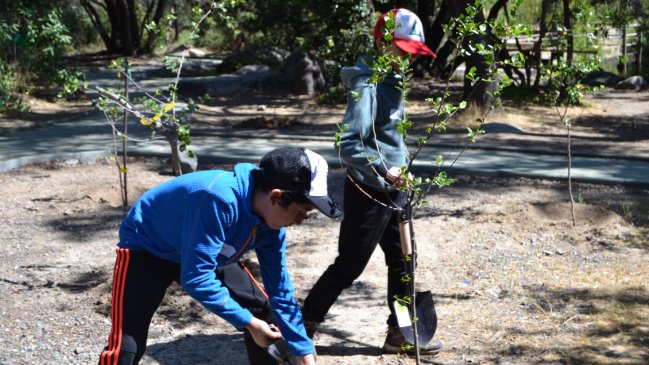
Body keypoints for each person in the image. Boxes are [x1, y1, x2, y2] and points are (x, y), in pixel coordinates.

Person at [98, 147, 341, 365]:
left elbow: (280, 289)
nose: (298, 222)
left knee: (264, 311)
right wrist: (249, 324)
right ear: (276, 197)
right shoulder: (218, 198)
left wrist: (302, 350)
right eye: (299, 213)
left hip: (205, 251)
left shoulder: (271, 225)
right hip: (148, 247)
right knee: (126, 347)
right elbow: (196, 278)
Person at [301, 8, 442, 355]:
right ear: (382, 44)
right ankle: (302, 324)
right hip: (369, 189)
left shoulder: (394, 79)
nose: (408, 58)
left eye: (414, 52)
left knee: (404, 262)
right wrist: (383, 170)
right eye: (403, 49)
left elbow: (390, 136)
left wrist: (401, 170)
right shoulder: (367, 85)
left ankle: (399, 334)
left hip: (395, 189)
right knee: (350, 264)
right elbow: (350, 143)